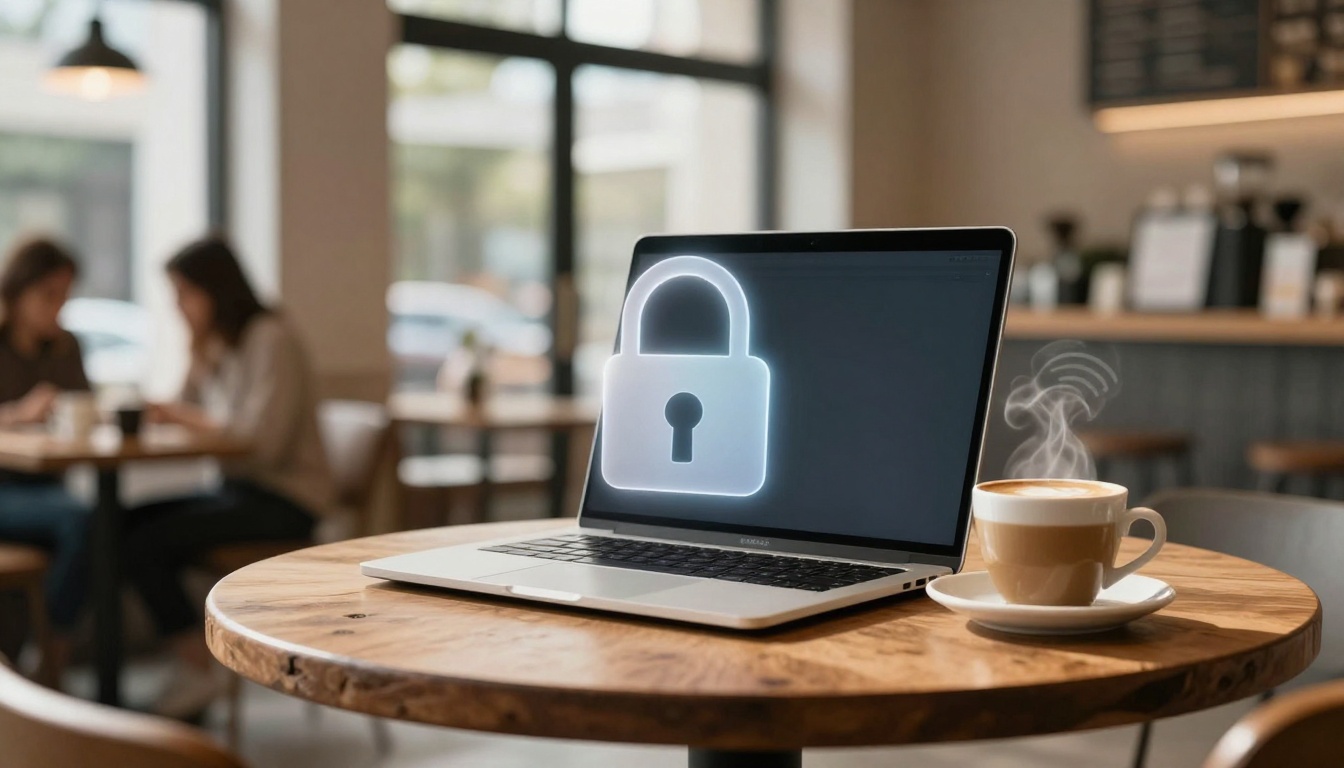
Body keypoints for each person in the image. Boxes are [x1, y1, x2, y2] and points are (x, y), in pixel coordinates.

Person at [125, 234, 332, 719]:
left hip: (285, 499)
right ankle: (190, 665)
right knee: (121, 521)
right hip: (238, 490)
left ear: (214, 289)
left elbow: (263, 442)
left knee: (146, 541)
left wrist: (186, 417)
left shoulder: (271, 337)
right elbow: (187, 408)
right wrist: (196, 351)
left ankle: (196, 668)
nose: (179, 306)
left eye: (185, 294)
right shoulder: (222, 342)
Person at [0, 237, 92, 687]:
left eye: (65, 296)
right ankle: (49, 659)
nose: (57, 308)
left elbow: (85, 409)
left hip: (45, 488)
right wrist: (19, 414)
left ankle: (46, 661)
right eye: (48, 295)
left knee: (101, 523)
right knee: (82, 521)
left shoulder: (66, 348)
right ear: (18, 292)